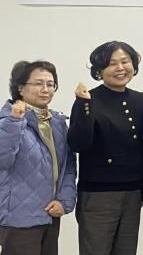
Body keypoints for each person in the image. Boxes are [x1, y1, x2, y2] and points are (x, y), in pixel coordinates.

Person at [68, 41, 143, 255]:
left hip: (133, 193)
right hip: (98, 195)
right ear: (99, 70)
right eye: (112, 63)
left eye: (125, 62)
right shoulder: (88, 100)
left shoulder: (142, 100)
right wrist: (84, 105)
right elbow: (78, 143)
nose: (120, 68)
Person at [0, 60, 77, 255]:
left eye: (50, 84)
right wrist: (14, 121)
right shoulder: (8, 120)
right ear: (20, 88)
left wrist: (64, 201)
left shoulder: (58, 123)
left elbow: (68, 167)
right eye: (38, 83)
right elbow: (3, 160)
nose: (45, 89)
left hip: (50, 214)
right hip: (19, 217)